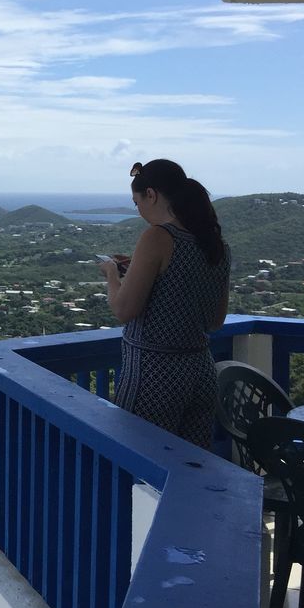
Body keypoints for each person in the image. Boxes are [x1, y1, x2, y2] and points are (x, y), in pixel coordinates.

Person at [99, 159, 230, 448]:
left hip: (155, 375)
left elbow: (123, 310)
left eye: (137, 203)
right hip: (200, 373)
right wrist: (140, 271)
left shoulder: (158, 236)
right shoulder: (215, 243)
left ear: (152, 195)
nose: (139, 211)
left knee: (141, 467)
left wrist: (112, 275)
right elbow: (215, 321)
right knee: (190, 468)